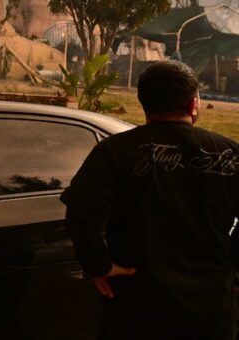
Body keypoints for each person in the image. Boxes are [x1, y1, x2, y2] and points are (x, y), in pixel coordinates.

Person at [61, 60, 239, 339]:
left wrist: (99, 266)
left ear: (143, 103)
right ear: (194, 104)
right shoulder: (230, 153)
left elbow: (81, 213)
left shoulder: (114, 152)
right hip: (211, 308)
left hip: (137, 307)